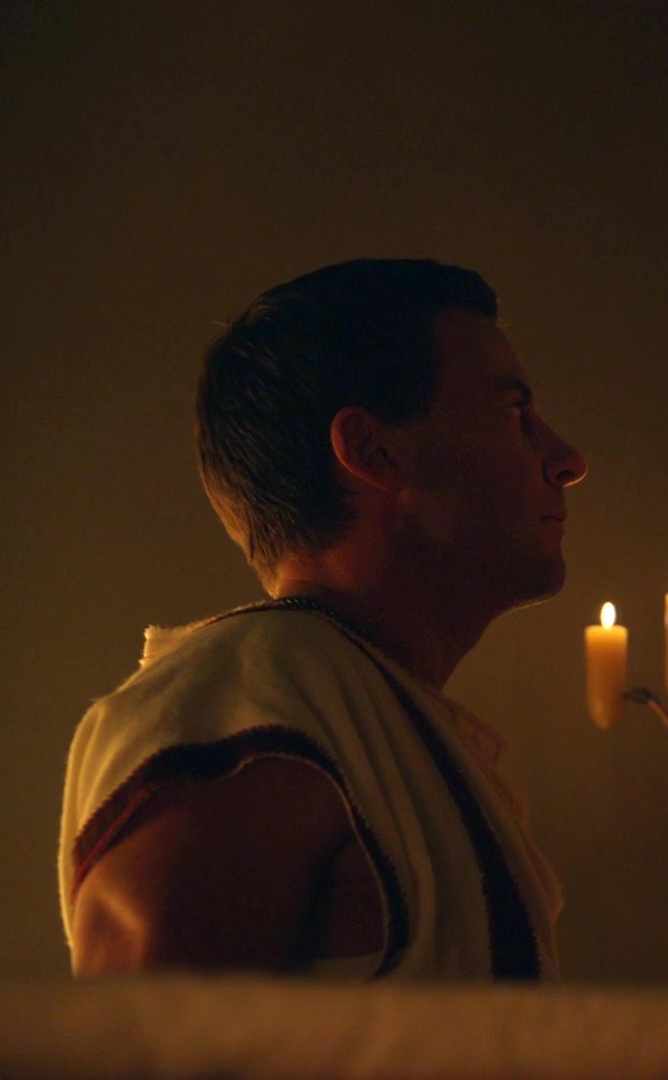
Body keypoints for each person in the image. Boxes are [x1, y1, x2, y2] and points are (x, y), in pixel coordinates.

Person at [58, 259, 585, 980]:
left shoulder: (356, 706)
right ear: (374, 452)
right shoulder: (257, 698)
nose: (566, 460)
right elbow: (136, 1031)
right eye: (512, 413)